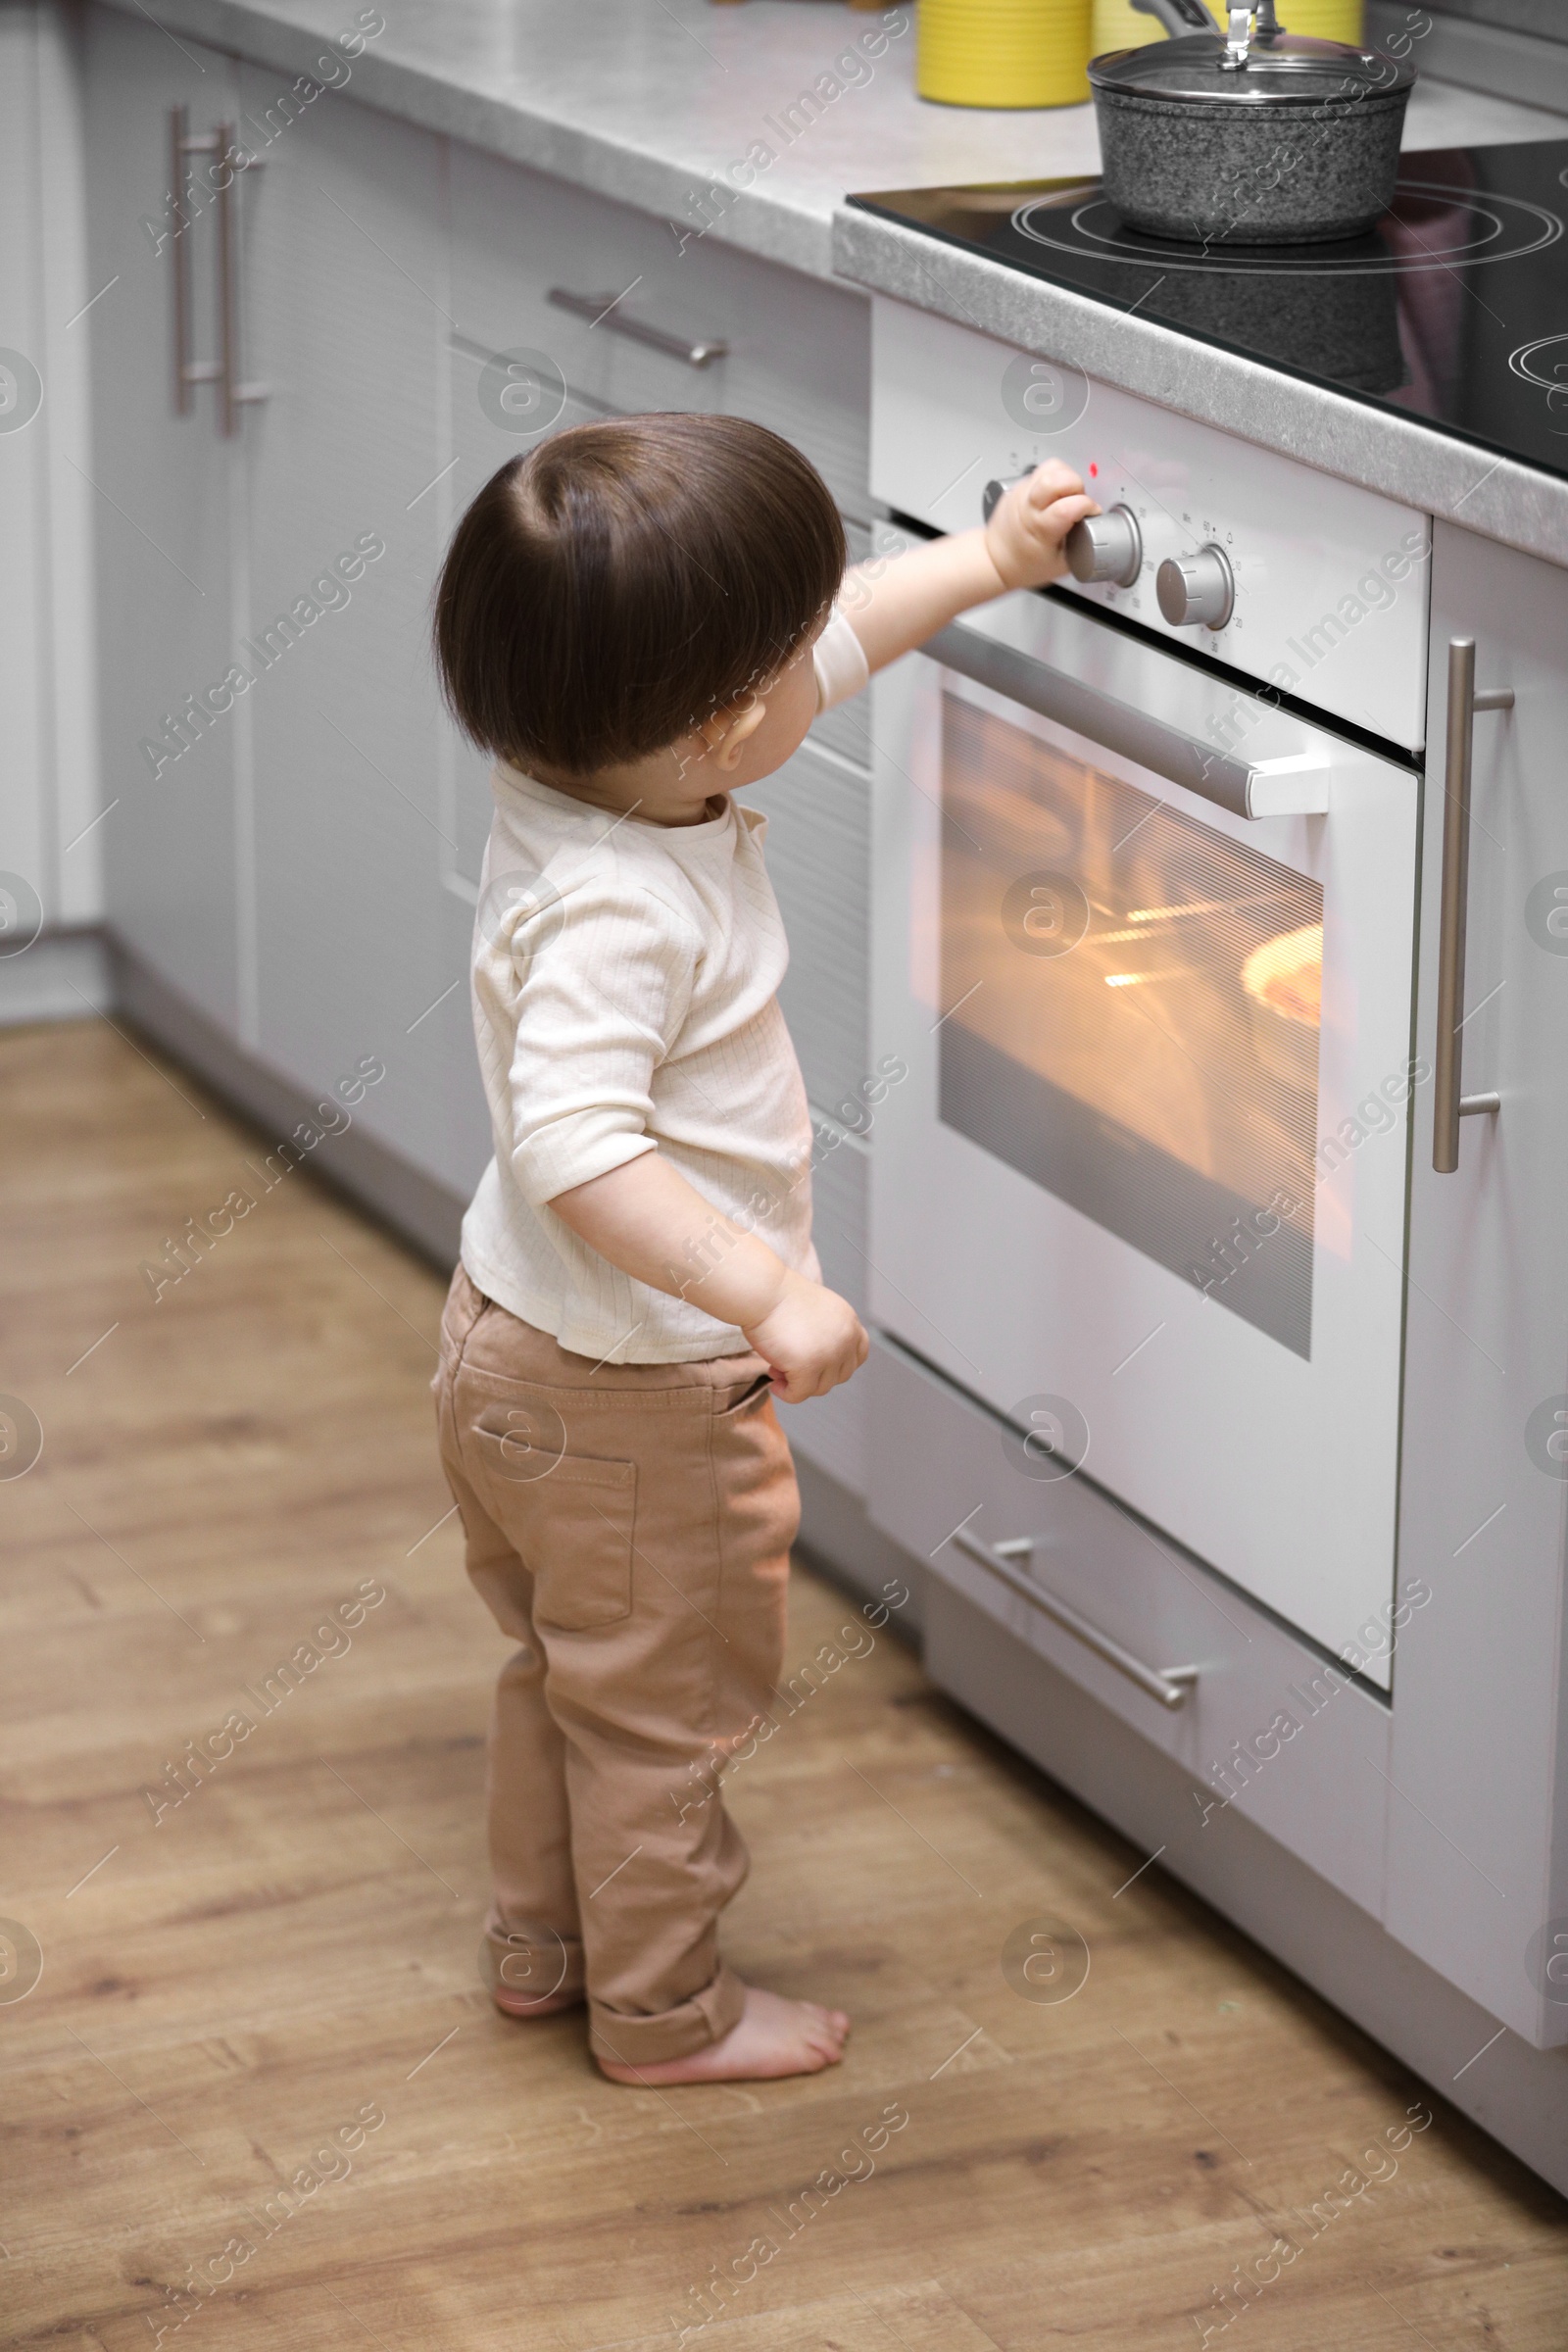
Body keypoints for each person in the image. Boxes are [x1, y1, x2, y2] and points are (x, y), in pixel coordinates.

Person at [429, 412, 1097, 2084]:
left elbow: (833, 636)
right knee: (665, 1721)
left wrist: (994, 559)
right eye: (789, 657)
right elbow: (578, 1140)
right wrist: (767, 1291)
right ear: (725, 723)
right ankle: (667, 2016)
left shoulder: (578, 763)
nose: (827, 650)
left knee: (563, 1669)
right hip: (640, 1402)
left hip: (507, 1347)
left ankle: (543, 1945)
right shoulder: (627, 909)